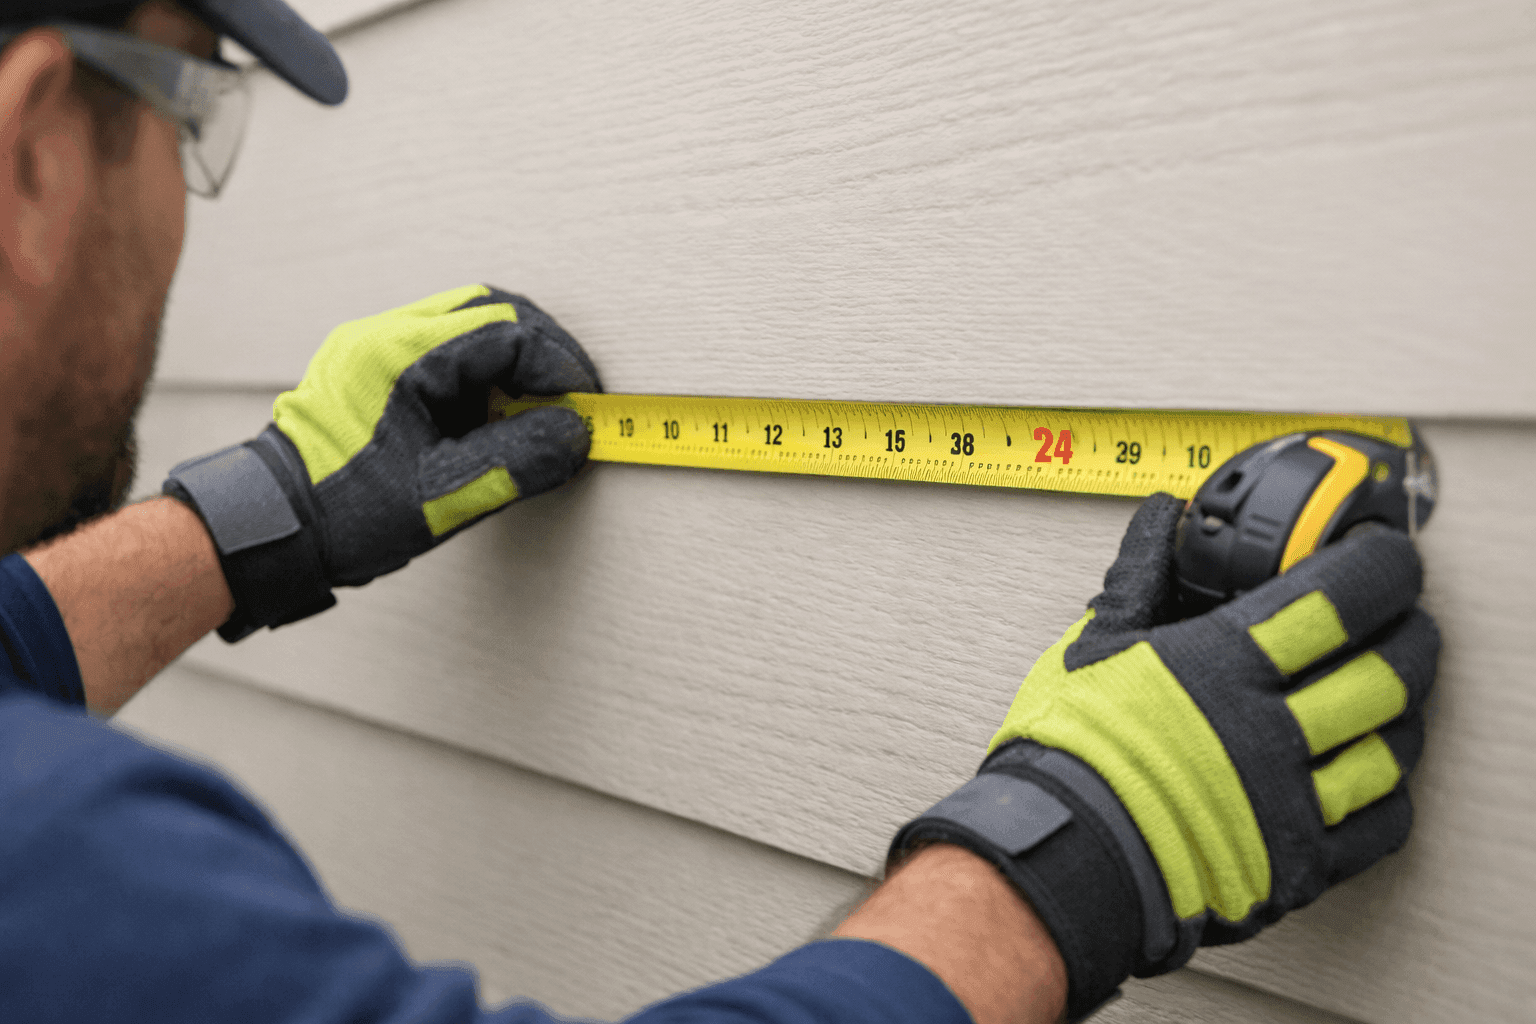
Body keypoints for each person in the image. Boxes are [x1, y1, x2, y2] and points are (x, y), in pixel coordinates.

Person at [0, 3, 1441, 1023]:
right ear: (35, 148)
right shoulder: (58, 860)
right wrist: (1075, 847)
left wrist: (251, 516)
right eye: (188, 102)